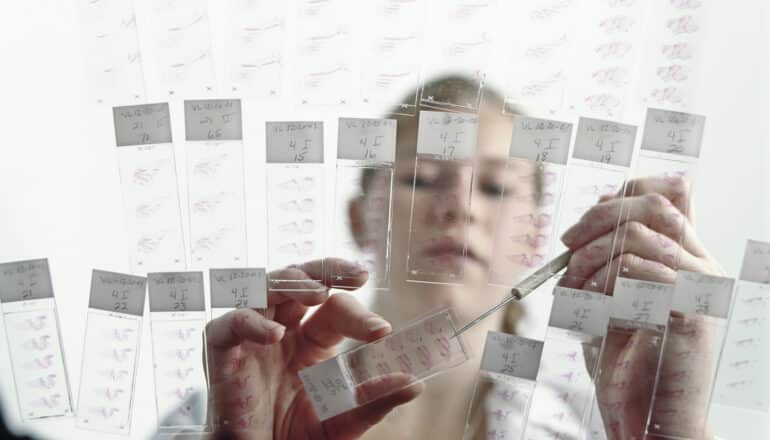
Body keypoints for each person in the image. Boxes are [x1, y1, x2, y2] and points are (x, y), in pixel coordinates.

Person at [203, 76, 724, 440]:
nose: (460, 207)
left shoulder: (597, 427)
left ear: (536, 238)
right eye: (421, 180)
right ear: (361, 217)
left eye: (497, 188)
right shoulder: (232, 418)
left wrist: (668, 431)